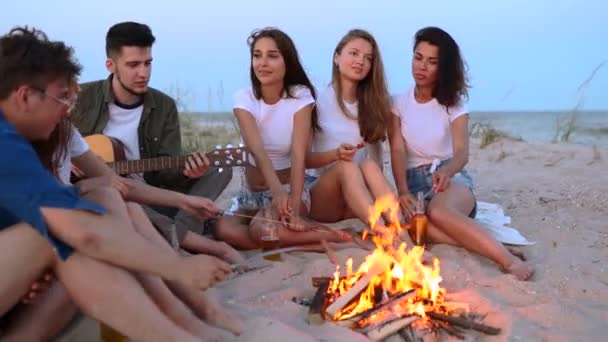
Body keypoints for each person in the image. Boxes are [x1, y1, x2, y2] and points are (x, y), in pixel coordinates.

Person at [0, 26, 233, 341]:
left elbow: (113, 186)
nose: (67, 108)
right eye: (60, 97)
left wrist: (181, 200)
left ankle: (183, 324)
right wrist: (178, 268)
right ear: (24, 96)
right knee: (64, 237)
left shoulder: (37, 136)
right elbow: (83, 233)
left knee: (102, 201)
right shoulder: (6, 141)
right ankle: (180, 330)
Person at [71, 21, 233, 251]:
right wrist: (70, 159)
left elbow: (166, 175)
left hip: (152, 195)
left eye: (148, 64)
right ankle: (182, 238)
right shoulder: (81, 98)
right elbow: (46, 137)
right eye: (133, 65)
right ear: (111, 65)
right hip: (104, 197)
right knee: (117, 193)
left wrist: (188, 172)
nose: (143, 73)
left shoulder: (164, 106)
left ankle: (175, 232)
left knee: (220, 167)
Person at [388, 26, 534, 281]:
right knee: (413, 230)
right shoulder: (399, 103)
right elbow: (397, 150)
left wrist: (447, 171)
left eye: (431, 62)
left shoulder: (453, 103)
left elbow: (462, 153)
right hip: (414, 186)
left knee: (439, 213)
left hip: (449, 181)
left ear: (442, 68)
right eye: (418, 57)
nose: (421, 66)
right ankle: (488, 245)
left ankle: (506, 260)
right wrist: (402, 191)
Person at [214, 27, 349, 249]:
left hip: (290, 189)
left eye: (272, 56)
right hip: (252, 195)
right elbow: (257, 149)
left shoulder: (300, 96)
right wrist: (274, 191)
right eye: (257, 55)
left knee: (262, 230)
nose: (263, 63)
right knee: (223, 229)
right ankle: (305, 242)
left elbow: (298, 154)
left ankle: (337, 236)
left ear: (287, 62)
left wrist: (293, 202)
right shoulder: (243, 98)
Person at [305, 29, 412, 243]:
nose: (360, 61)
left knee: (369, 165)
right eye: (353, 53)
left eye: (367, 58)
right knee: (346, 166)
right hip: (325, 199)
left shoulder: (375, 104)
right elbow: (303, 159)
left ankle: (403, 236)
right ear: (337, 57)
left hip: (359, 203)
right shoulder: (314, 99)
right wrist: (335, 154)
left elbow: (379, 166)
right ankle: (385, 235)